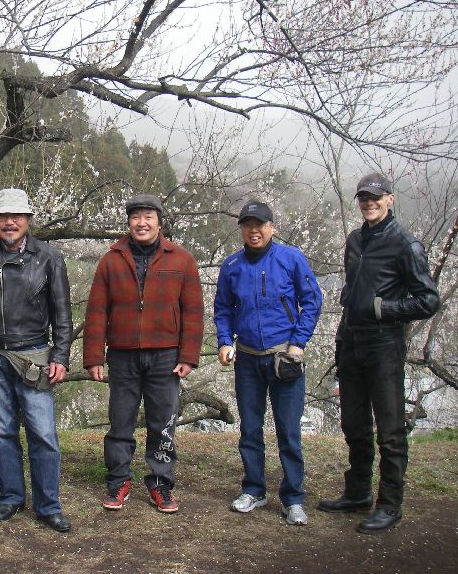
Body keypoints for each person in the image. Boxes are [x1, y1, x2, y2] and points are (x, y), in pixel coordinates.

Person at [318, 173, 439, 533]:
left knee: (389, 429)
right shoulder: (355, 240)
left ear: (389, 199)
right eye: (363, 198)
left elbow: (428, 300)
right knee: (353, 424)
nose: (368, 203)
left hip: (384, 344)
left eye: (375, 197)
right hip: (351, 341)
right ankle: (357, 493)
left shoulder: (406, 245)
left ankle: (389, 504)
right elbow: (352, 290)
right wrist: (343, 330)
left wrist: (385, 308)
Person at [0, 188, 73, 533]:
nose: (10, 222)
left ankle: (48, 505)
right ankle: (10, 497)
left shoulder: (49, 257)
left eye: (17, 216)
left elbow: (62, 313)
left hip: (35, 354)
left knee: (43, 432)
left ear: (28, 220)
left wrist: (61, 355)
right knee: (0, 431)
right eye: (3, 217)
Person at [83, 194, 204, 513]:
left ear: (159, 222)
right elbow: (97, 311)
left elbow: (193, 311)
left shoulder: (182, 259)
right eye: (136, 217)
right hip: (122, 355)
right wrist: (94, 356)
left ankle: (161, 483)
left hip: (166, 355)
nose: (142, 223)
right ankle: (118, 479)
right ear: (128, 222)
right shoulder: (111, 260)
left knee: (163, 421)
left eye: (148, 217)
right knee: (120, 421)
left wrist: (188, 355)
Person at [214, 200, 323, 526]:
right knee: (249, 429)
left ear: (271, 227)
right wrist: (224, 341)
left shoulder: (291, 258)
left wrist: (298, 343)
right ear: (241, 229)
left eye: (259, 224)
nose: (253, 230)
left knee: (288, 430)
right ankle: (254, 489)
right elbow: (223, 308)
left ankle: (293, 498)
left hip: (283, 356)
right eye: (247, 225)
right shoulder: (231, 265)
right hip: (247, 358)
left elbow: (312, 300)